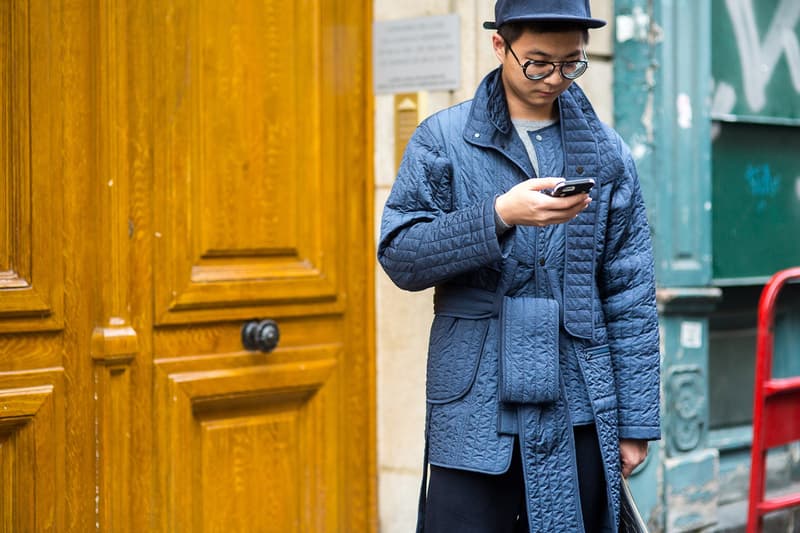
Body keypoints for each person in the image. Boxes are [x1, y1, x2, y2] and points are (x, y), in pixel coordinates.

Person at [378, 0, 661, 531]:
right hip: (474, 398)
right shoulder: (443, 138)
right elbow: (400, 257)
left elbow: (630, 292)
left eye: (572, 63)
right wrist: (499, 215)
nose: (554, 78)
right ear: (499, 45)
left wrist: (636, 421)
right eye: (537, 62)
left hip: (579, 394)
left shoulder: (606, 152)